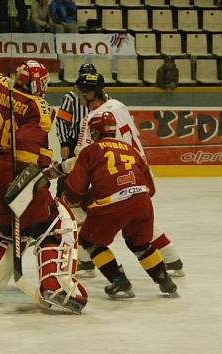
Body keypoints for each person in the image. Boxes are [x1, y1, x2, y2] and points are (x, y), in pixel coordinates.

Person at [0, 14, 87, 314]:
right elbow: (27, 146)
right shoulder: (40, 107)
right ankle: (56, 285)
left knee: (7, 230)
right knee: (55, 220)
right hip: (16, 177)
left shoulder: (1, 89)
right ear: (38, 84)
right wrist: (38, 170)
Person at [61, 72, 184, 297]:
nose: (78, 96)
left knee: (87, 228)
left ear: (90, 93)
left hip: (111, 181)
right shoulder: (118, 105)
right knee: (139, 233)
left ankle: (97, 265)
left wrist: (61, 172)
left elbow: (81, 160)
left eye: (80, 92)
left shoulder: (92, 121)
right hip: (137, 172)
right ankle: (168, 265)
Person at [55, 63, 97, 278]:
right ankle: (60, 211)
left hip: (92, 144)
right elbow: (62, 120)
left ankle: (72, 213)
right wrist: (64, 142)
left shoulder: (101, 98)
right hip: (73, 143)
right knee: (67, 181)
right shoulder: (71, 97)